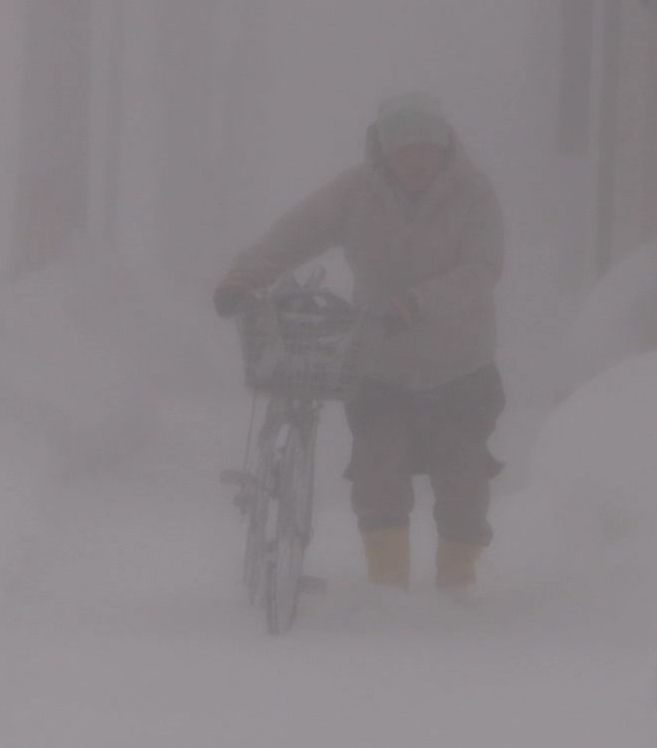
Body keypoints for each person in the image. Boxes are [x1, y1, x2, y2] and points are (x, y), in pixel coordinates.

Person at [214, 92, 506, 591]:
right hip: (380, 362)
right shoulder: (354, 193)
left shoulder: (474, 194)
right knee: (377, 477)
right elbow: (296, 234)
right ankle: (387, 589)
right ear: (384, 151)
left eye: (427, 148)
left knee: (463, 484)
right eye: (405, 149)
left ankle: (457, 587)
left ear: (444, 147)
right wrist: (243, 277)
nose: (417, 160)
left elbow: (482, 269)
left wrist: (418, 303)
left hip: (460, 363)